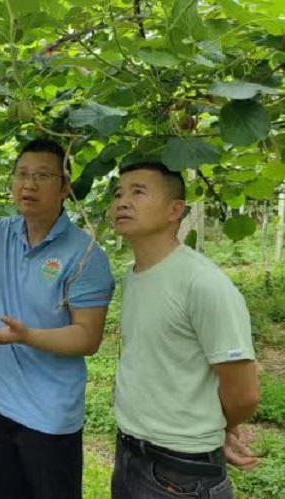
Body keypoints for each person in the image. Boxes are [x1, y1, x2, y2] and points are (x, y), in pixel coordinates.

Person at [0, 139, 115, 499]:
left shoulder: (85, 255)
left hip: (49, 415)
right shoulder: (2, 233)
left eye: (43, 176)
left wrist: (26, 335)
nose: (28, 184)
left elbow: (87, 337)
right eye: (21, 174)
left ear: (65, 188)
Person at [109, 162, 260, 498]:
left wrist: (213, 428)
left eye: (138, 192)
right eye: (118, 193)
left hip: (180, 473)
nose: (122, 202)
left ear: (175, 210)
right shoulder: (133, 277)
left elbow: (245, 394)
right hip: (130, 454)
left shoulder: (202, 283)